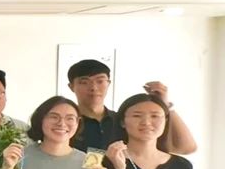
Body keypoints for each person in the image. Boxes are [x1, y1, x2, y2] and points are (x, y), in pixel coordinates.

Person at [67, 59, 197, 154]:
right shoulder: (66, 123)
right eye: (84, 82)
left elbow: (186, 148)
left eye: (100, 81)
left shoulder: (125, 121)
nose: (93, 88)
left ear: (109, 83)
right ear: (71, 86)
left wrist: (165, 106)